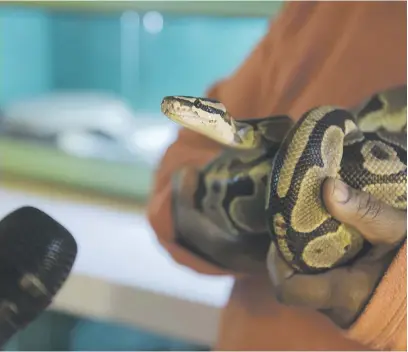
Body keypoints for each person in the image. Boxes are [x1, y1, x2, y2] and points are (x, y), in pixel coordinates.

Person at [147, 2, 407, 350]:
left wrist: (396, 304)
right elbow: (172, 180)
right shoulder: (314, 9)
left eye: (192, 107)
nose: (182, 108)